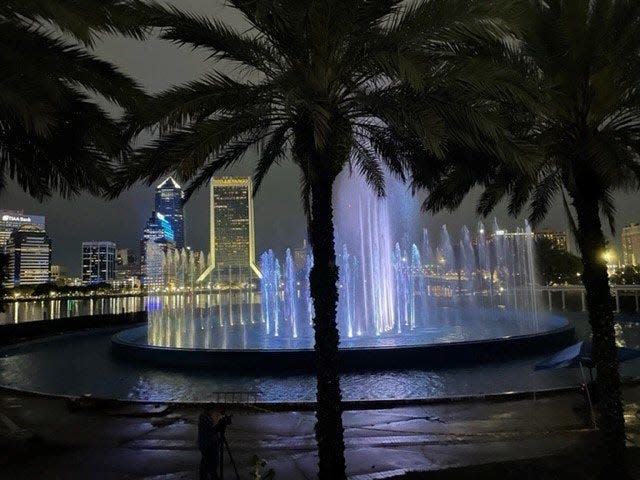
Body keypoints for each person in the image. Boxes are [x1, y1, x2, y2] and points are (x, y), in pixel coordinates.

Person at [198, 410, 220, 480]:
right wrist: (219, 425)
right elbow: (211, 430)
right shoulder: (204, 418)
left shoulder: (206, 417)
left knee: (208, 461)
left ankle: (208, 476)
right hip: (207, 444)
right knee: (208, 461)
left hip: (208, 443)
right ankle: (209, 476)